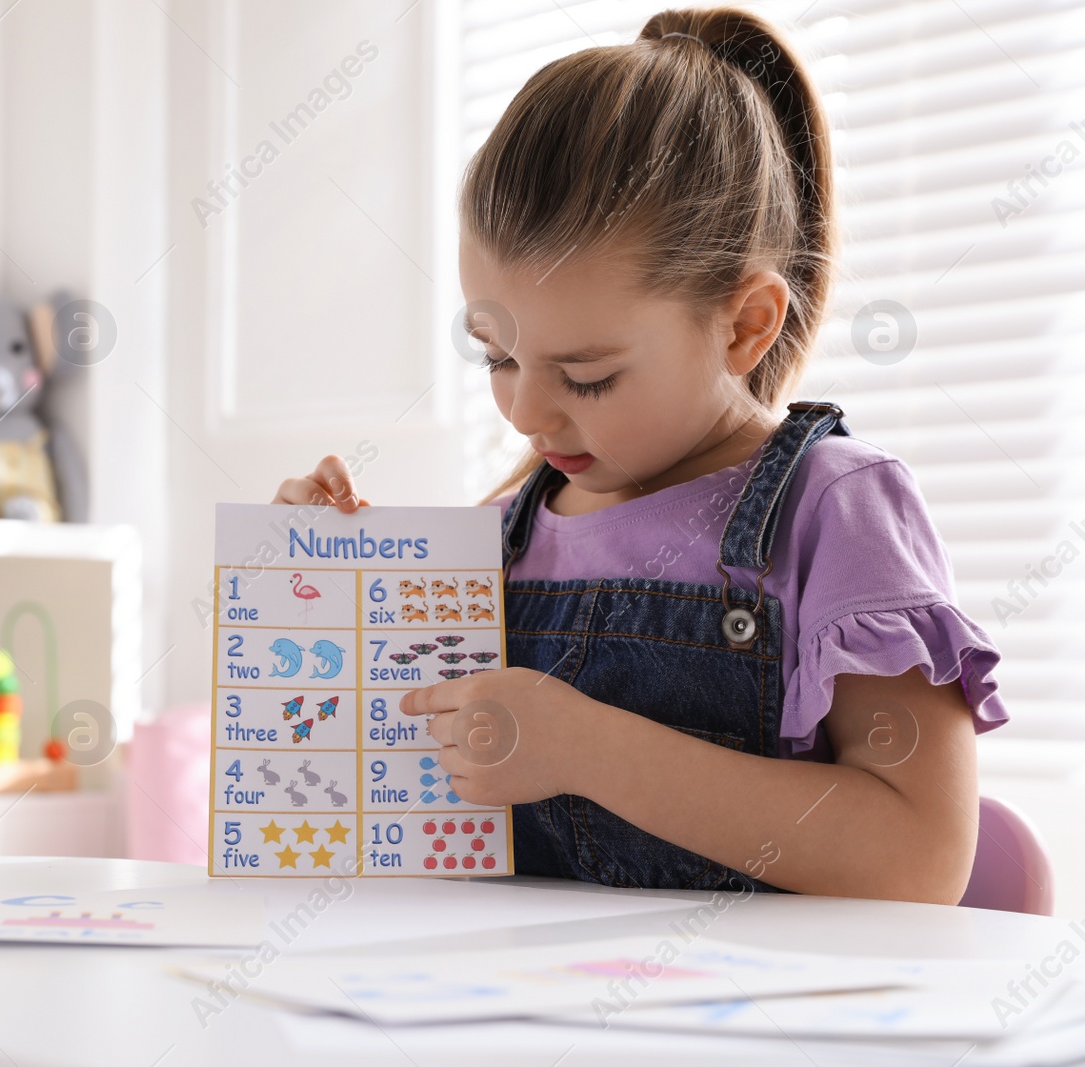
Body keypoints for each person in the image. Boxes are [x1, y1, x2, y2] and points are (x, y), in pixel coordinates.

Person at [272, 7, 1007, 902]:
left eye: (587, 376)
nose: (526, 412)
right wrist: (310, 584)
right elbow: (367, 795)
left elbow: (918, 858)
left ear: (746, 325)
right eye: (498, 356)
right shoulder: (500, 534)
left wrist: (586, 748)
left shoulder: (838, 509)